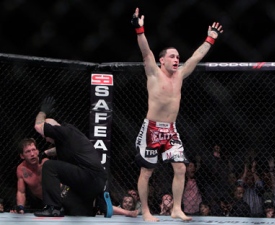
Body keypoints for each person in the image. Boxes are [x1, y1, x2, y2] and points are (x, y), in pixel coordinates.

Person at [131, 7, 223, 222]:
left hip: (170, 130)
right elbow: (146, 51)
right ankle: (145, 211)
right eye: (172, 56)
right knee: (146, 172)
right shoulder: (153, 73)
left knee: (180, 168)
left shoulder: (180, 75)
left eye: (177, 56)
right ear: (161, 60)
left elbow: (196, 56)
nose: (176, 59)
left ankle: (176, 209)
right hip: (152, 129)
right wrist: (139, 29)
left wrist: (210, 39)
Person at [33, 97, 112, 217]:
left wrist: (43, 111)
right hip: (95, 182)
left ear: (53, 129)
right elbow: (61, 150)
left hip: (89, 176)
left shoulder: (63, 131)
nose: (45, 138)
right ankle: (92, 208)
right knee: (73, 209)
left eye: (46, 135)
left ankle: (52, 207)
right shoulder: (69, 137)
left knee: (49, 166)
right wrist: (46, 152)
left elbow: (38, 127)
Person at [13, 138, 55, 214]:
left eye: (33, 150)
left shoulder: (45, 162)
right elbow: (21, 192)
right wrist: (21, 208)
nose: (32, 154)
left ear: (38, 151)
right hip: (45, 202)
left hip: (63, 195)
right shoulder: (21, 169)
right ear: (22, 156)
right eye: (28, 151)